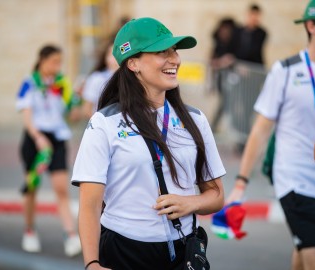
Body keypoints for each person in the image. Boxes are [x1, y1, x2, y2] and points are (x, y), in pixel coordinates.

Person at [71, 17, 225, 270]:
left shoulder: (195, 119)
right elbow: (89, 206)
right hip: (123, 251)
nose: (174, 59)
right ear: (133, 63)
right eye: (161, 52)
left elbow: (216, 195)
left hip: (183, 248)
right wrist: (92, 263)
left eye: (174, 51)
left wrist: (191, 202)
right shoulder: (104, 123)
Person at [225, 0, 315, 269]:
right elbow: (261, 129)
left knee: (304, 251)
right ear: (312, 26)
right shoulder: (285, 70)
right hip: (295, 182)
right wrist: (240, 182)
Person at [16, 44, 82, 257]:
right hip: (35, 139)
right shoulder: (29, 83)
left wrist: (77, 104)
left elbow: (72, 115)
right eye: (54, 61)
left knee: (61, 188)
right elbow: (26, 114)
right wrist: (37, 137)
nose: (57, 66)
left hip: (57, 138)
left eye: (60, 62)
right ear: (42, 60)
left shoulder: (62, 83)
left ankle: (70, 234)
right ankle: (29, 230)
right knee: (32, 187)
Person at [210, 18, 240, 132]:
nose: (224, 32)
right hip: (222, 80)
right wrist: (222, 62)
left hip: (234, 81)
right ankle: (214, 128)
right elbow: (212, 62)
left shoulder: (234, 45)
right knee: (225, 105)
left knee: (227, 106)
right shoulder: (218, 45)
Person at [82, 39, 119, 118]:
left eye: (117, 54)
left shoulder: (132, 78)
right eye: (111, 54)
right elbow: (87, 108)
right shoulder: (97, 78)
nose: (114, 58)